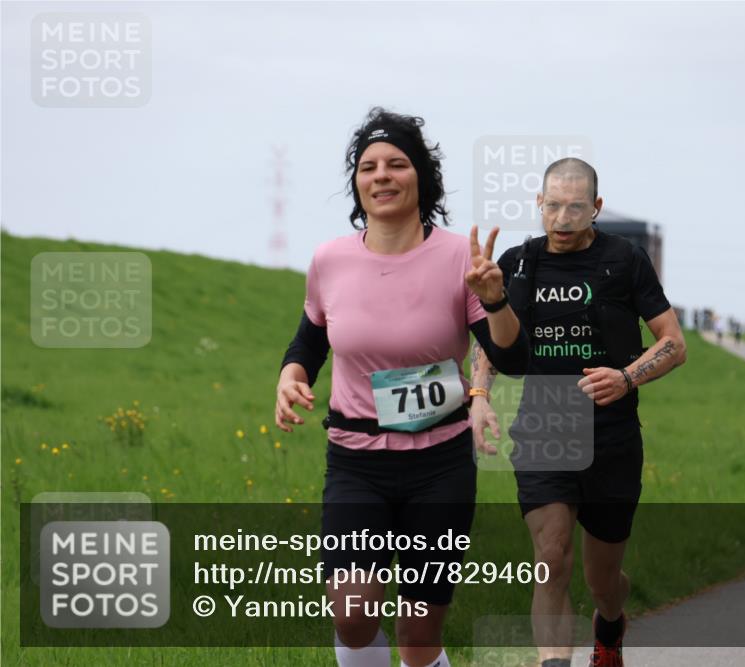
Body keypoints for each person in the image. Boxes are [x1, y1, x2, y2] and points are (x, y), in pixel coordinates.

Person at [275, 107, 529, 667]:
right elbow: (309, 342)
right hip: (356, 461)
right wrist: (290, 377)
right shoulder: (330, 260)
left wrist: (494, 297)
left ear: (421, 178)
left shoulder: (461, 255)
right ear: (357, 183)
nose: (381, 175)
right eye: (368, 167)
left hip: (439, 462)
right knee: (353, 613)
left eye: (396, 163)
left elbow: (509, 352)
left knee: (418, 634)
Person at [469, 158, 687, 667]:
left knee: (603, 581)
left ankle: (608, 629)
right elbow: (492, 343)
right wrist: (479, 397)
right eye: (552, 206)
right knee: (550, 558)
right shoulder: (518, 263)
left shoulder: (626, 261)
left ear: (597, 207)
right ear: (538, 206)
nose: (562, 218)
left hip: (612, 433)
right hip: (545, 422)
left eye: (575, 207)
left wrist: (627, 376)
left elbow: (674, 344)